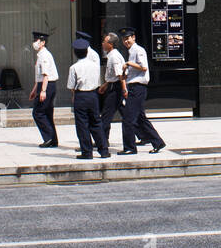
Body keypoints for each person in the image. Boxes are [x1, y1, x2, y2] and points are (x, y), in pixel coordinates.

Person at [119, 27, 165, 155]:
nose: (126, 41)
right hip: (135, 87)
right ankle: (158, 142)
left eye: (128, 38)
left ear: (133, 37)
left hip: (137, 88)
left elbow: (144, 67)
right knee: (140, 118)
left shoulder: (138, 50)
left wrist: (128, 64)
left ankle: (129, 148)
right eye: (124, 39)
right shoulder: (132, 51)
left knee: (128, 119)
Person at [67, 37, 109, 160]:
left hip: (81, 95)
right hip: (93, 95)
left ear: (75, 52)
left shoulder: (74, 67)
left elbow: (71, 86)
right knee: (96, 122)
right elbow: (98, 82)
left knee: (82, 125)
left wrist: (74, 97)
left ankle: (87, 152)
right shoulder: (94, 66)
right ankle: (104, 150)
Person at [29, 31, 58, 148]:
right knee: (47, 113)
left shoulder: (44, 55)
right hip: (44, 85)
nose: (35, 43)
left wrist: (43, 91)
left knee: (38, 112)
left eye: (37, 41)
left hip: (47, 85)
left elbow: (46, 75)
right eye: (34, 40)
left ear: (43, 42)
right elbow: (39, 77)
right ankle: (53, 140)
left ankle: (49, 138)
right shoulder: (41, 54)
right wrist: (35, 89)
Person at [98, 33, 127, 147]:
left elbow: (120, 75)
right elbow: (114, 76)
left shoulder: (114, 57)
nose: (102, 44)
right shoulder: (111, 55)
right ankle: (143, 135)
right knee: (126, 113)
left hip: (116, 87)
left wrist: (124, 89)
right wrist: (105, 84)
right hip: (114, 85)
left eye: (104, 42)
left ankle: (103, 140)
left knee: (106, 115)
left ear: (110, 44)